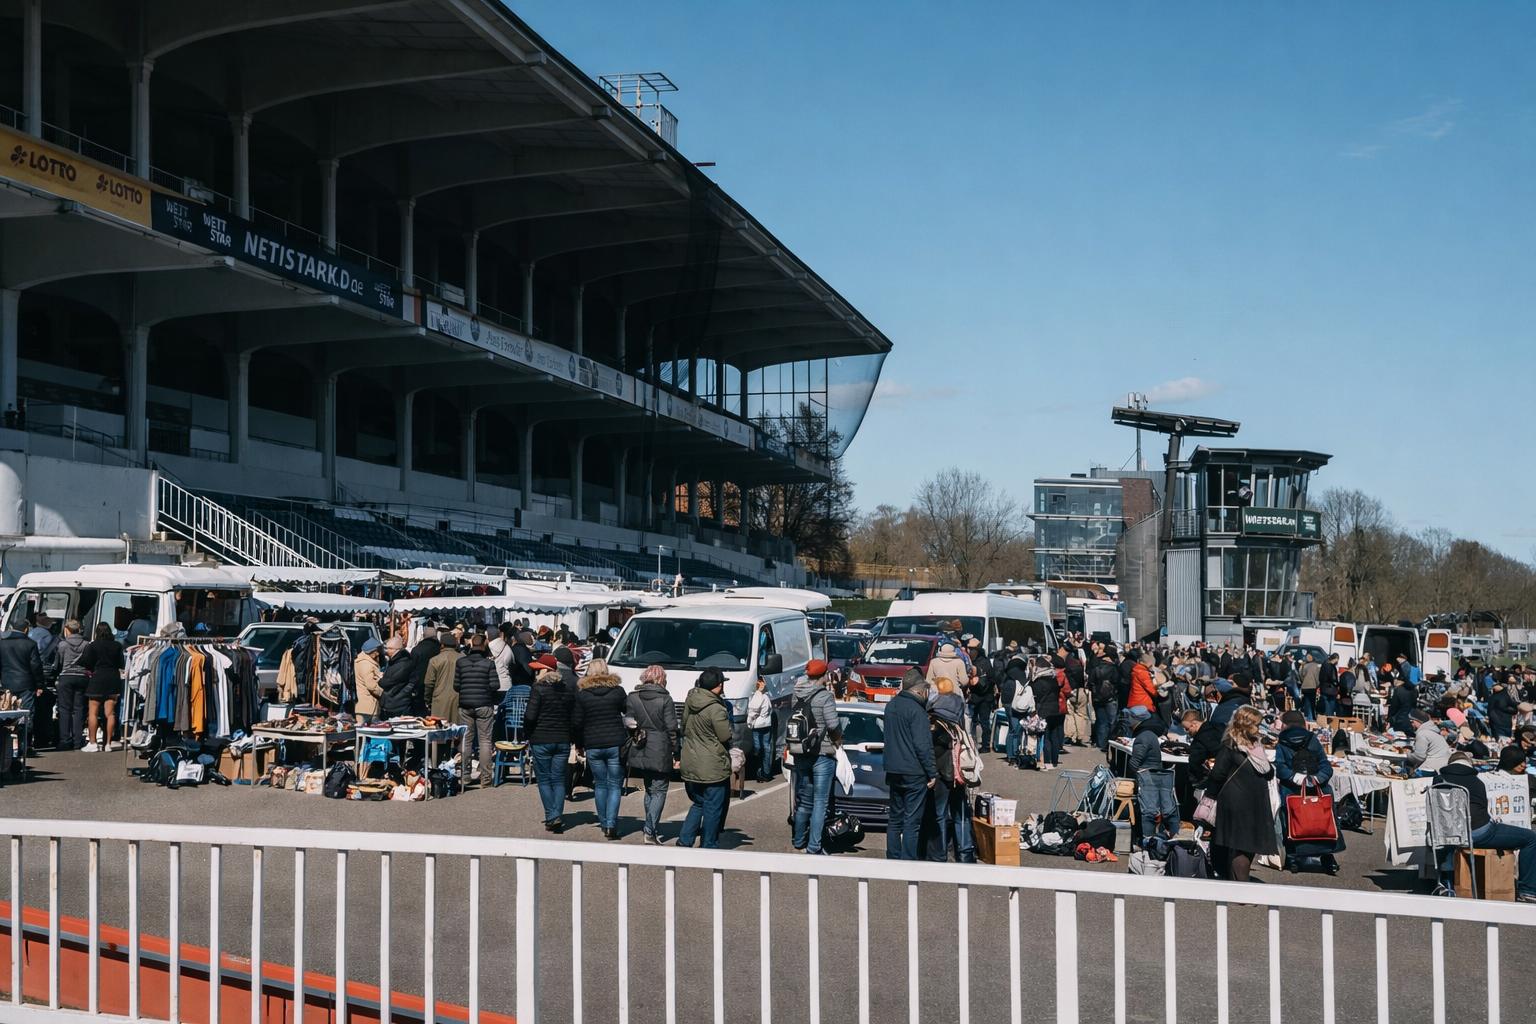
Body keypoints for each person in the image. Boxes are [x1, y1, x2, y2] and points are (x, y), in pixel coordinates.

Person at [1434, 752, 1536, 902]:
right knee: (1530, 838)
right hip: (1476, 833)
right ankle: (1527, 890)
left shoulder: (1437, 780)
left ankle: (1444, 881)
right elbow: (1482, 812)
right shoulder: (1477, 781)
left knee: (1451, 836)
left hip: (1446, 833)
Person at [1204, 705, 1279, 882]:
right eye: (1257, 725)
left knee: (1240, 846)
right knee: (1244, 846)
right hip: (1247, 801)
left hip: (1238, 800)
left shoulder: (1233, 745)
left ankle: (1236, 886)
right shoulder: (1246, 746)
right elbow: (1268, 772)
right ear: (1247, 725)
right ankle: (1242, 889)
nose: (1260, 729)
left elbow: (1217, 774)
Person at [1273, 710, 1342, 874]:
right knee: (1323, 822)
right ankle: (1327, 856)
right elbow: (1325, 764)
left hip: (1292, 790)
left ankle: (1293, 856)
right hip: (1319, 790)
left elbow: (1281, 768)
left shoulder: (1282, 743)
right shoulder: (1313, 740)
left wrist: (1295, 777)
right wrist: (1317, 778)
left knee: (1293, 823)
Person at [678, 667, 734, 849]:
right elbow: (725, 735)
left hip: (691, 759)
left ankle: (685, 839)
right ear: (718, 686)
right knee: (713, 807)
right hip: (711, 764)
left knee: (699, 802)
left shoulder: (690, 700)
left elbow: (684, 726)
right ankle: (709, 844)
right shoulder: (716, 708)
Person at [884, 668, 937, 860]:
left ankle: (893, 857)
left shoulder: (891, 706)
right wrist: (932, 772)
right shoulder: (917, 711)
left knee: (895, 818)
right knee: (911, 821)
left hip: (893, 768)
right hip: (914, 771)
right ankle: (908, 861)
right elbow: (923, 745)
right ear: (919, 690)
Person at [572, 658, 628, 838]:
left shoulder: (582, 694)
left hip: (593, 743)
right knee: (615, 785)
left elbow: (577, 722)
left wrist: (579, 744)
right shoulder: (617, 691)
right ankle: (612, 823)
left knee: (600, 784)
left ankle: (604, 822)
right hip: (614, 741)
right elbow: (626, 710)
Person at [790, 659, 841, 855]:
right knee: (820, 802)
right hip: (821, 752)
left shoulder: (797, 694)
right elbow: (833, 724)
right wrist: (838, 741)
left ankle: (798, 839)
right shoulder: (825, 697)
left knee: (804, 799)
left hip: (801, 752)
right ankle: (814, 846)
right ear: (823, 676)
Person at [626, 665, 678, 844]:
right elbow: (672, 728)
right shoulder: (666, 699)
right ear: (662, 679)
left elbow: (629, 722)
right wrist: (676, 751)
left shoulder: (633, 697)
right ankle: (649, 829)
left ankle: (649, 825)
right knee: (660, 790)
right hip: (660, 746)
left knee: (650, 788)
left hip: (640, 744)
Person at [925, 686, 976, 862]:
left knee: (939, 814)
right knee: (961, 813)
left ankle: (939, 854)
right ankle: (965, 852)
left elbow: (935, 753)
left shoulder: (938, 728)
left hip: (943, 775)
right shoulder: (958, 726)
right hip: (959, 775)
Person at [525, 665, 575, 832]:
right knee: (558, 779)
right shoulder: (567, 690)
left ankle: (552, 815)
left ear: (544, 672)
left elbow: (530, 716)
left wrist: (527, 733)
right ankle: (556, 814)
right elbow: (573, 715)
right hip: (562, 739)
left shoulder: (538, 689)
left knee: (544, 779)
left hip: (541, 738)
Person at [453, 634, 499, 787]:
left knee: (466, 740)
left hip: (465, 704)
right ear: (484, 645)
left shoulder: (461, 662)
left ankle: (465, 776)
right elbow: (495, 685)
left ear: (471, 644)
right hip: (484, 703)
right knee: (485, 741)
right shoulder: (488, 664)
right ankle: (486, 778)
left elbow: (456, 686)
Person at [74, 622, 124, 751]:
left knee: (93, 713)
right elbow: (121, 664)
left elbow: (85, 662)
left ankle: (93, 743)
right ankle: (108, 744)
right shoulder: (117, 646)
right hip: (113, 678)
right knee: (110, 713)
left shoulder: (93, 646)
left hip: (97, 678)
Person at [0, 623, 45, 750]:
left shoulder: (2, 644)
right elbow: (36, 666)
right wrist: (40, 684)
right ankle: (24, 745)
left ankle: (8, 744)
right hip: (26, 683)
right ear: (26, 629)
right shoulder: (30, 644)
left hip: (7, 683)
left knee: (8, 713)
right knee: (27, 714)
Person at [52, 619, 90, 751]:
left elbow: (58, 662)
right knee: (79, 709)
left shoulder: (62, 644)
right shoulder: (86, 644)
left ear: (67, 629)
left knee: (64, 709)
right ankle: (77, 741)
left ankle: (64, 740)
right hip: (82, 677)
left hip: (66, 676)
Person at [423, 628, 461, 723]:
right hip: (459, 697)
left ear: (442, 645)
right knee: (457, 730)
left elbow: (429, 683)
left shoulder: (434, 660)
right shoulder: (463, 658)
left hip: (439, 699)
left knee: (439, 729)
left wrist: (427, 700)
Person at [965, 637, 997, 753]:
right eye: (969, 648)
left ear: (977, 650)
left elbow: (991, 679)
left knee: (984, 722)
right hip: (976, 696)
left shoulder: (984, 662)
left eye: (972, 649)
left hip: (983, 697)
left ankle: (985, 745)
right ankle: (973, 744)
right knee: (972, 722)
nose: (969, 651)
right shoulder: (971, 661)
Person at [1030, 662, 1064, 770]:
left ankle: (1047, 761)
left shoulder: (1038, 682)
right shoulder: (1054, 680)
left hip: (1044, 711)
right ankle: (1054, 761)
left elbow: (1035, 696)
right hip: (1056, 711)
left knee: (1045, 737)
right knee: (1054, 736)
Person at [1001, 650, 1031, 766]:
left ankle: (1011, 755)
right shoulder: (1020, 673)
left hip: (1007, 701)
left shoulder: (1009, 672)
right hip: (1016, 703)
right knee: (1016, 730)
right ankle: (1014, 754)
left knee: (1012, 730)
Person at [378, 636, 419, 718]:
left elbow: (388, 682)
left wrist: (380, 679)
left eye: (389, 648)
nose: (386, 651)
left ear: (396, 650)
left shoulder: (403, 663)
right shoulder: (395, 661)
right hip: (393, 701)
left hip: (399, 704)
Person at [746, 677, 775, 782]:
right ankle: (766, 773)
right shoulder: (766, 697)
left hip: (758, 725)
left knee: (758, 749)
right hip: (767, 724)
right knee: (766, 748)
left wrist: (749, 722)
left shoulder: (757, 696)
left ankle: (759, 772)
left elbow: (753, 710)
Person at [1406, 710, 1452, 774]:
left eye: (1412, 721)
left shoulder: (1422, 734)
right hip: (1443, 767)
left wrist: (1407, 754)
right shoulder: (1433, 731)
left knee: (1404, 770)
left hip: (1431, 769)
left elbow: (1419, 757)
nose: (1411, 724)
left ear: (1418, 721)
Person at [353, 637, 385, 724]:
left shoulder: (361, 661)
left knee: (362, 733)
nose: (378, 653)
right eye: (376, 651)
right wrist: (382, 693)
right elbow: (371, 685)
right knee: (371, 732)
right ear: (371, 651)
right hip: (368, 707)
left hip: (363, 706)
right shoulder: (366, 664)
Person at [488, 622, 516, 691]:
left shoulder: (487, 648)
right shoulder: (507, 648)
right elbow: (512, 665)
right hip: (506, 685)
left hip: (491, 684)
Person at [1298, 654, 1321, 722]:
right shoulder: (1316, 666)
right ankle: (1311, 718)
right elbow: (1317, 677)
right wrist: (1318, 685)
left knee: (1306, 701)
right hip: (1312, 686)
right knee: (1312, 702)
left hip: (1304, 686)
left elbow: (1301, 676)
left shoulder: (1304, 666)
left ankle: (1308, 716)